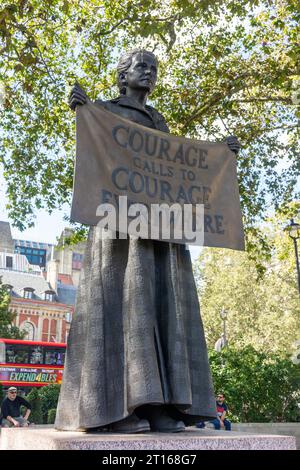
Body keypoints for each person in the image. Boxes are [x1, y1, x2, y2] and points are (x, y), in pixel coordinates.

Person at [55, 49, 240, 433]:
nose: (150, 73)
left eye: (154, 68)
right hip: (119, 228)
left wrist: (220, 157)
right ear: (123, 76)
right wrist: (82, 110)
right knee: (123, 305)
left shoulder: (159, 121)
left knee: (157, 308)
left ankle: (157, 403)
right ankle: (117, 409)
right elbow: (95, 158)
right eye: (142, 66)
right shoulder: (104, 111)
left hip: (159, 229)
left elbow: (179, 174)